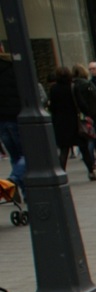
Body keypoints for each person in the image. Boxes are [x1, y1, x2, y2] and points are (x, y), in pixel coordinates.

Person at [48, 67, 96, 181]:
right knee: (84, 148)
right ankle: (91, 172)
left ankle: (61, 173)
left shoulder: (53, 89)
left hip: (60, 123)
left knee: (64, 150)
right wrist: (88, 113)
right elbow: (81, 103)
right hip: (75, 122)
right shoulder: (72, 87)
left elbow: (52, 107)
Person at [1, 49, 27, 192]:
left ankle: (21, 190)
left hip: (2, 119)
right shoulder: (13, 66)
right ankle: (14, 178)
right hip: (16, 116)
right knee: (27, 153)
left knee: (15, 156)